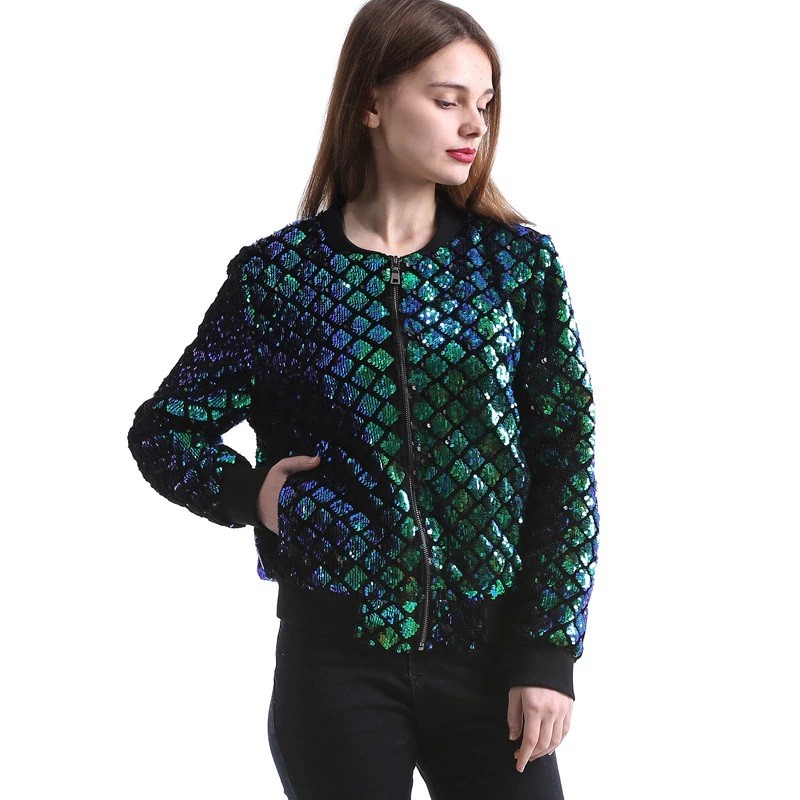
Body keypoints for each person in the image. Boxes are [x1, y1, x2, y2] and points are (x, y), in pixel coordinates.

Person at [127, 0, 600, 797]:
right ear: (373, 103)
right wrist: (254, 496)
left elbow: (566, 459)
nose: (473, 124)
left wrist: (548, 652)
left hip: (490, 662)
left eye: (484, 104)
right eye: (447, 99)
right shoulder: (281, 278)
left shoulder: (516, 267)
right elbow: (164, 430)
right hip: (334, 667)